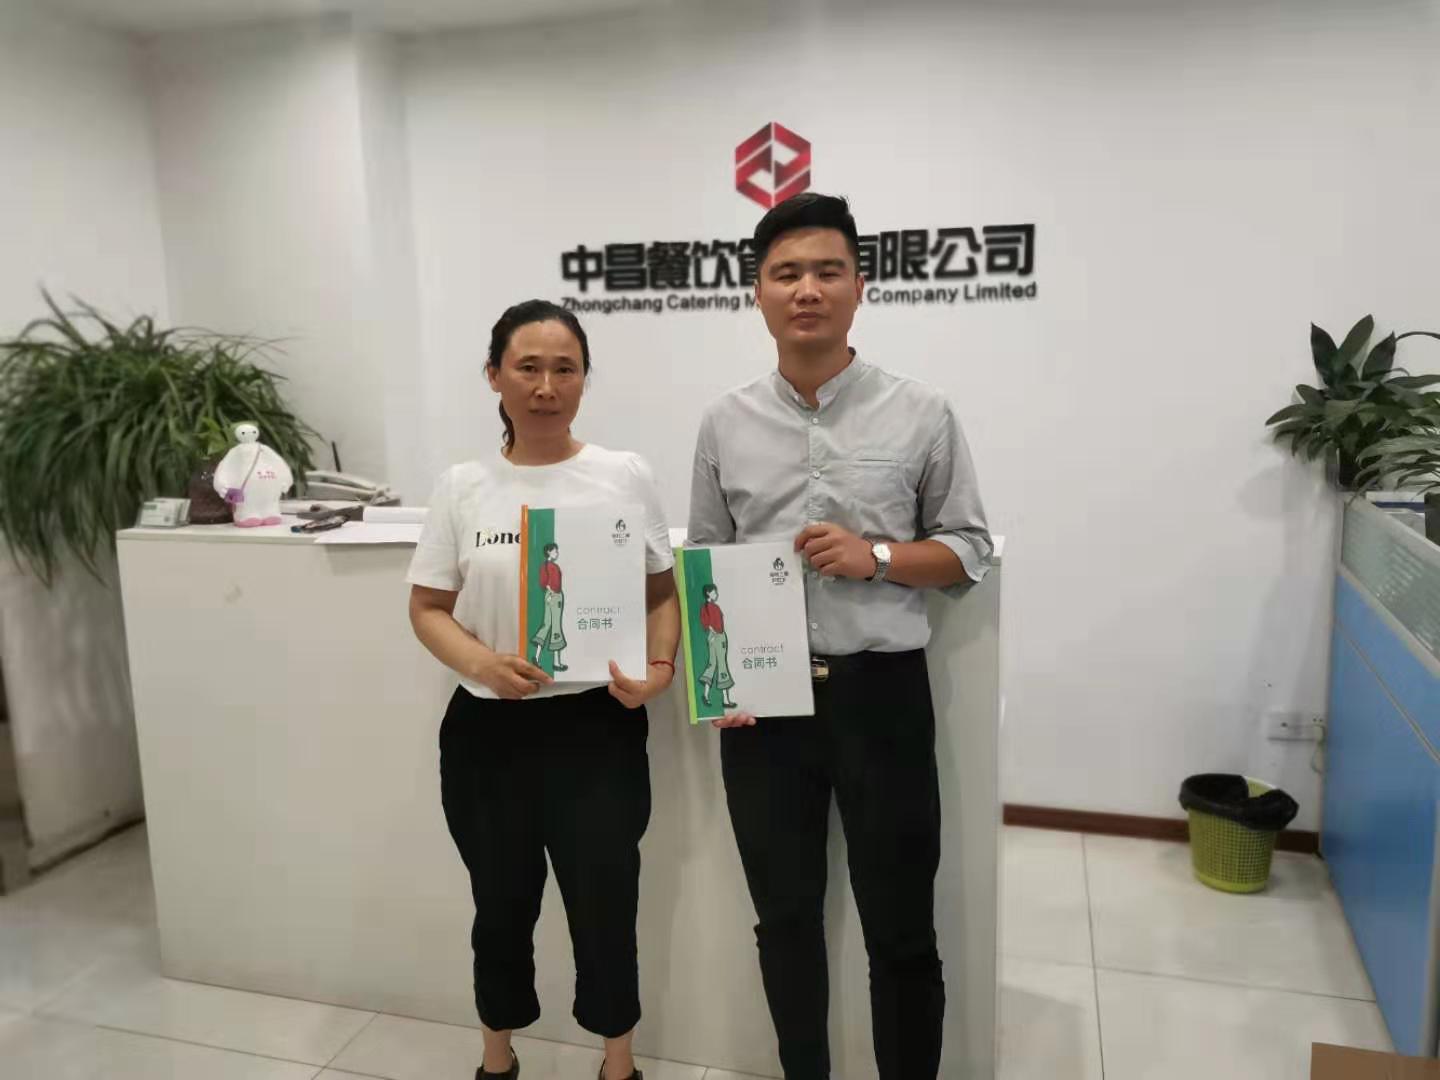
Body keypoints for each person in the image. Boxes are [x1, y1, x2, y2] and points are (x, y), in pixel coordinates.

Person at [687, 193, 992, 1080]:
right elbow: (706, 562)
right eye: (786, 274)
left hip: (881, 697)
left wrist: (878, 556)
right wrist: (718, 681)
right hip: (764, 709)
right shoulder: (725, 421)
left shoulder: (922, 411)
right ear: (758, 292)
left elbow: (968, 549)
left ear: (861, 286)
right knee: (784, 921)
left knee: (902, 928)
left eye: (828, 271)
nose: (807, 290)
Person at [408, 299, 680, 1080]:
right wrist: (483, 665)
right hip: (489, 735)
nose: (546, 386)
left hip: (598, 730)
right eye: (528, 367)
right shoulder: (463, 486)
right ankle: (497, 1058)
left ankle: (618, 1064)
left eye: (565, 368)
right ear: (494, 376)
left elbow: (661, 592)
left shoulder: (623, 475)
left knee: (606, 908)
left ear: (585, 379)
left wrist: (660, 670)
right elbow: (427, 609)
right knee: (500, 908)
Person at [697, 583, 736, 709]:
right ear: (708, 593)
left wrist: (712, 633)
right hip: (718, 637)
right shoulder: (710, 608)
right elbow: (708, 623)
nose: (716, 594)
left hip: (713, 637)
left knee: (712, 664)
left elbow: (707, 623)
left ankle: (706, 695)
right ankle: (725, 700)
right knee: (722, 665)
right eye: (714, 592)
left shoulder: (709, 607)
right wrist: (715, 633)